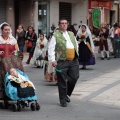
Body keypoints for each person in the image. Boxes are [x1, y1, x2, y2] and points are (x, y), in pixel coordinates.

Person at [48, 18, 79, 107]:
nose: (64, 25)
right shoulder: (56, 35)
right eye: (62, 23)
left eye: (65, 23)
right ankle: (62, 100)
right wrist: (53, 60)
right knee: (61, 81)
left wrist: (77, 54)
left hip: (73, 60)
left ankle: (66, 94)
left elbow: (76, 44)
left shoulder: (71, 34)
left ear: (68, 24)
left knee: (74, 77)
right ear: (59, 25)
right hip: (62, 61)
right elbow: (51, 48)